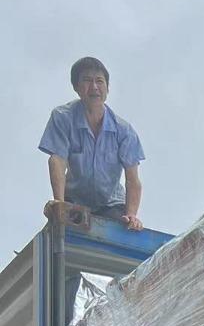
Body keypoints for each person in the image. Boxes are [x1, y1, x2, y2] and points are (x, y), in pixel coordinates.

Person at [39, 57, 145, 230]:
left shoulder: (124, 131)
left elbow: (132, 179)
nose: (94, 87)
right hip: (75, 200)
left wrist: (132, 214)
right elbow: (57, 160)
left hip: (111, 203)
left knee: (124, 231)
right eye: (87, 80)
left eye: (99, 81)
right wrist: (59, 204)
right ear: (76, 87)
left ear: (107, 88)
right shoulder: (63, 117)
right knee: (60, 232)